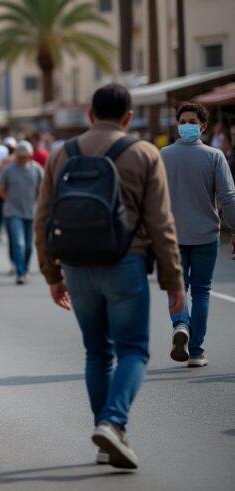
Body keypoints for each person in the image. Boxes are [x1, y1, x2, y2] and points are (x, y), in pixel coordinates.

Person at [35, 84, 184, 470]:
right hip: (126, 264)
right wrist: (174, 281)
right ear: (129, 117)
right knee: (133, 349)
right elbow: (161, 223)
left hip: (77, 267)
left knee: (97, 352)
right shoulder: (143, 153)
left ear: (89, 114)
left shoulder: (60, 155)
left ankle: (106, 442)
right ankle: (113, 422)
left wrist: (52, 274)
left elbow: (43, 218)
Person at [161, 102, 235, 368]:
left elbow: (153, 198)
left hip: (173, 237)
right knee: (202, 292)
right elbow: (228, 197)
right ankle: (196, 351)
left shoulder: (164, 155)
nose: (186, 126)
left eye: (190, 122)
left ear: (202, 126)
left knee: (177, 288)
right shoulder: (215, 156)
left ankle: (181, 324)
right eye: (182, 121)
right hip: (206, 236)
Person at [0, 141, 43, 285]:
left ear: (30, 156)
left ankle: (24, 265)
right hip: (13, 211)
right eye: (20, 156)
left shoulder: (36, 170)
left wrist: (37, 203)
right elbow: (1, 189)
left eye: (25, 156)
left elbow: (41, 190)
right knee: (19, 243)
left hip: (30, 211)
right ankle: (21, 273)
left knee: (29, 245)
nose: (22, 159)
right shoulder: (8, 170)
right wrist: (10, 201)